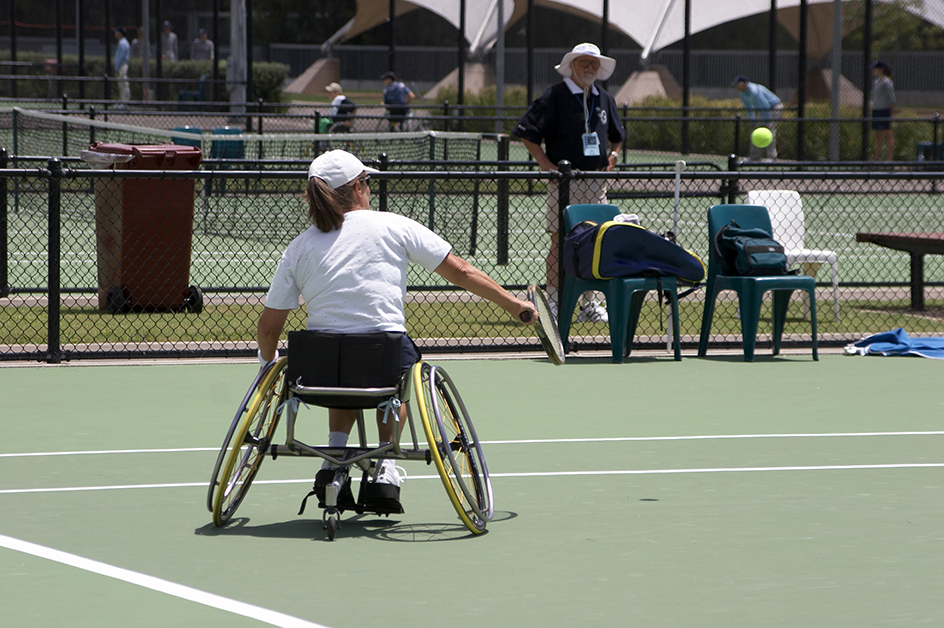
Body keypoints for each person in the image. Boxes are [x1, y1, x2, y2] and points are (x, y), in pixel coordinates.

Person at [256, 150, 535, 513]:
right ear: (358, 186)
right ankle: (385, 464)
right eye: (367, 182)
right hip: (382, 357)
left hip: (318, 369)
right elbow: (461, 272)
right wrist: (514, 305)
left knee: (340, 360)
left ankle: (333, 458)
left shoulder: (299, 247)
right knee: (399, 372)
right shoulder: (395, 226)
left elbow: (269, 325)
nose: (369, 188)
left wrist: (266, 364)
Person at [512, 42, 624, 323]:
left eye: (594, 63)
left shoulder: (604, 98)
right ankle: (552, 301)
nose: (590, 68)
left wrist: (612, 154)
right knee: (559, 239)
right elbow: (527, 132)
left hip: (596, 182)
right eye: (584, 62)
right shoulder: (555, 96)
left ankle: (589, 303)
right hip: (564, 182)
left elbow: (617, 135)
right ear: (572, 65)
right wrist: (544, 163)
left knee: (595, 240)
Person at [733, 75, 783, 162]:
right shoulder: (742, 94)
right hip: (763, 109)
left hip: (774, 107)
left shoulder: (755, 91)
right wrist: (753, 122)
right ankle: (754, 157)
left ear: (745, 83)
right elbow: (749, 108)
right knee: (755, 130)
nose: (737, 86)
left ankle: (772, 158)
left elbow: (765, 106)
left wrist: (767, 122)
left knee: (769, 131)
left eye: (739, 84)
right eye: (736, 84)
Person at [871, 61, 895, 161]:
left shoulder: (887, 82)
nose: (873, 71)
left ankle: (890, 159)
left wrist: (891, 112)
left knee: (887, 135)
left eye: (875, 68)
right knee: (877, 136)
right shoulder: (876, 82)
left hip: (884, 111)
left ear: (881, 69)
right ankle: (876, 158)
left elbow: (891, 98)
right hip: (876, 110)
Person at [113, 27, 131, 108]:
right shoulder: (122, 42)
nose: (115, 34)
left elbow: (120, 57)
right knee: (121, 84)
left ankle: (125, 103)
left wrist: (117, 68)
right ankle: (122, 102)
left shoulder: (122, 43)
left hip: (121, 66)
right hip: (120, 66)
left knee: (123, 84)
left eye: (116, 32)